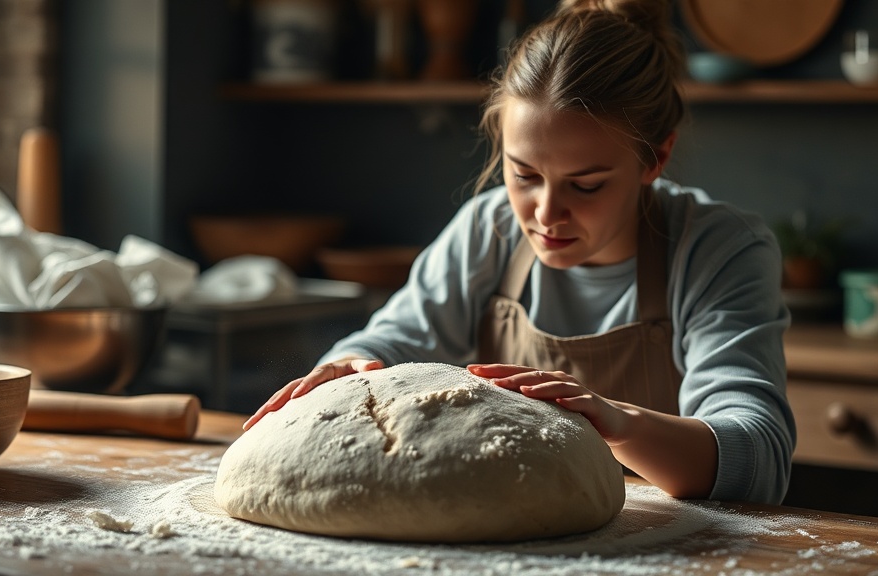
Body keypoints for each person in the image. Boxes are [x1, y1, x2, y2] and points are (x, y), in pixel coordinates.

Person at [244, 0, 795, 505]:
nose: (546, 213)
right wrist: (346, 368)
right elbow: (392, 338)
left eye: (587, 184)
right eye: (524, 174)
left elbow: (759, 454)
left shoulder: (718, 249)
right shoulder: (489, 230)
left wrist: (616, 422)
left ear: (656, 157)